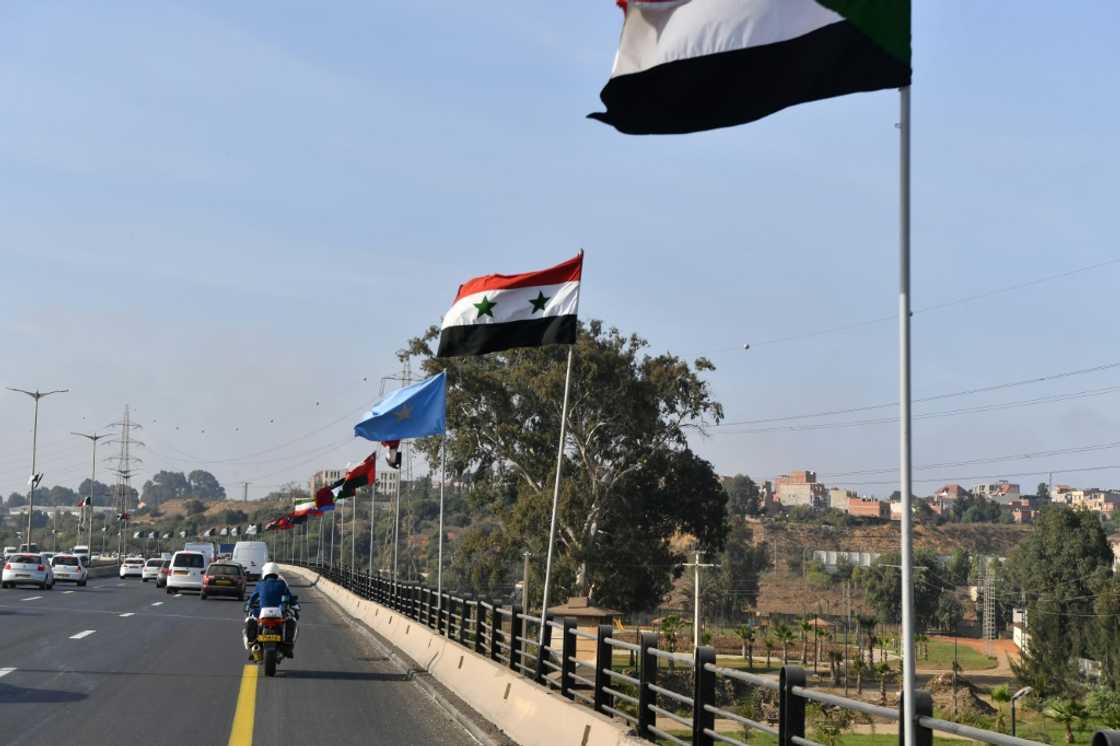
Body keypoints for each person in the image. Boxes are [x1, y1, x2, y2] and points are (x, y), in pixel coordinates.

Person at [243, 562, 299, 659]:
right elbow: (290, 598)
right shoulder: (281, 584)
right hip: (278, 614)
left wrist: (248, 605)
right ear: (276, 572)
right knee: (291, 620)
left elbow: (252, 598)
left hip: (263, 614)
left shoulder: (260, 584)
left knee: (250, 619)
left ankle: (252, 643)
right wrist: (295, 606)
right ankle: (288, 645)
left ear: (265, 573)